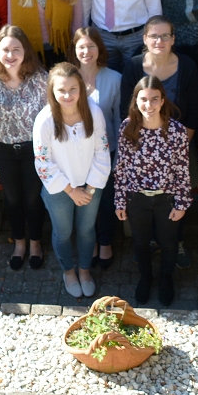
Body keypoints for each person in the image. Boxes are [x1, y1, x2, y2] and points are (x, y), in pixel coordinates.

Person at [114, 75, 193, 306]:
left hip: (165, 198)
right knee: (141, 241)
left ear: (162, 100)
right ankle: (146, 277)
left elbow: (182, 168)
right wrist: (120, 201)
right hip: (137, 198)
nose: (149, 105)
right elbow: (121, 167)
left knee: (168, 242)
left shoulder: (176, 130)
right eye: (144, 99)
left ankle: (166, 277)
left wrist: (181, 203)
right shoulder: (127, 128)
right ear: (136, 101)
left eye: (154, 99)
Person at [34, 62, 110, 297]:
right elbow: (43, 162)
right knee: (63, 232)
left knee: (86, 230)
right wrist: (71, 190)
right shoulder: (45, 120)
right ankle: (68, 271)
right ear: (52, 91)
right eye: (61, 90)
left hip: (90, 186)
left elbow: (102, 151)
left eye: (72, 89)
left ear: (81, 88)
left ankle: (84, 270)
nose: (67, 95)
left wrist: (90, 188)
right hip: (59, 189)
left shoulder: (94, 112)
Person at [0, 26, 49, 270]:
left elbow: (50, 118)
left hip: (33, 151)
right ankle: (19, 243)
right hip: (3, 150)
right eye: (5, 50)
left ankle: (36, 243)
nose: (10, 55)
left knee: (33, 199)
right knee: (12, 198)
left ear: (25, 50)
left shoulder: (40, 78)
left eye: (16, 49)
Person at [72, 26, 123, 267]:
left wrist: (119, 156)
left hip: (106, 151)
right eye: (81, 46)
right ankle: (88, 240)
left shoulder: (114, 79)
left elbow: (119, 120)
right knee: (85, 200)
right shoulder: (67, 78)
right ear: (74, 50)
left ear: (99, 48)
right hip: (75, 155)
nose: (86, 51)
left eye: (91, 46)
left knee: (106, 200)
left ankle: (106, 242)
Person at [122, 16, 198, 133]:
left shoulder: (187, 66)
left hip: (181, 136)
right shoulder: (133, 66)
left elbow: (194, 112)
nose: (159, 41)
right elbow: (126, 109)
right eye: (153, 36)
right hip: (140, 137)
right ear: (145, 39)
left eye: (165, 36)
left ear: (173, 39)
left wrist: (182, 141)